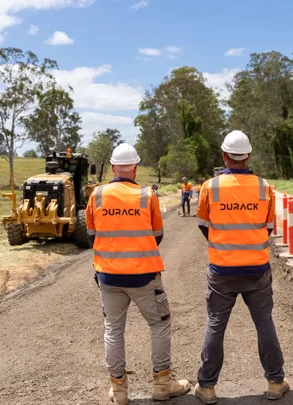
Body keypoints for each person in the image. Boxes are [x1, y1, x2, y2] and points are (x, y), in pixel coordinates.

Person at [86, 143, 191, 405]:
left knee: (113, 330)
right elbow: (157, 235)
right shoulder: (147, 195)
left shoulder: (97, 195)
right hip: (145, 276)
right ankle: (162, 385)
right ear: (134, 167)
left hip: (109, 276)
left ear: (112, 167)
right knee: (159, 324)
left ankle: (119, 391)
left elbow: (91, 235)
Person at [193, 130, 289, 404]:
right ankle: (275, 382)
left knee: (215, 324)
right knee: (264, 323)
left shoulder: (209, 187)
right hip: (256, 269)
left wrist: (224, 246)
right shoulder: (264, 187)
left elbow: (204, 226)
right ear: (248, 156)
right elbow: (269, 228)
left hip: (222, 270)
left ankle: (207, 387)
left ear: (224, 155)